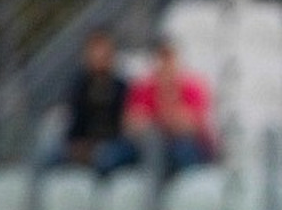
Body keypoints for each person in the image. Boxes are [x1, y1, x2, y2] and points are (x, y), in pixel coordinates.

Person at [123, 39, 217, 175]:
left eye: (169, 60)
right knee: (148, 143)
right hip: (153, 146)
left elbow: (188, 127)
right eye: (161, 60)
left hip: (190, 146)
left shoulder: (192, 87)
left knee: (181, 150)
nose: (165, 66)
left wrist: (163, 101)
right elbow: (131, 124)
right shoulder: (143, 88)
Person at [54, 29, 135, 175]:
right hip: (84, 144)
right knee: (50, 152)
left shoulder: (121, 87)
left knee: (106, 157)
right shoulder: (78, 86)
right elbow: (75, 123)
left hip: (114, 143)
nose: (99, 57)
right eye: (95, 52)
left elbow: (124, 126)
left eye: (103, 53)